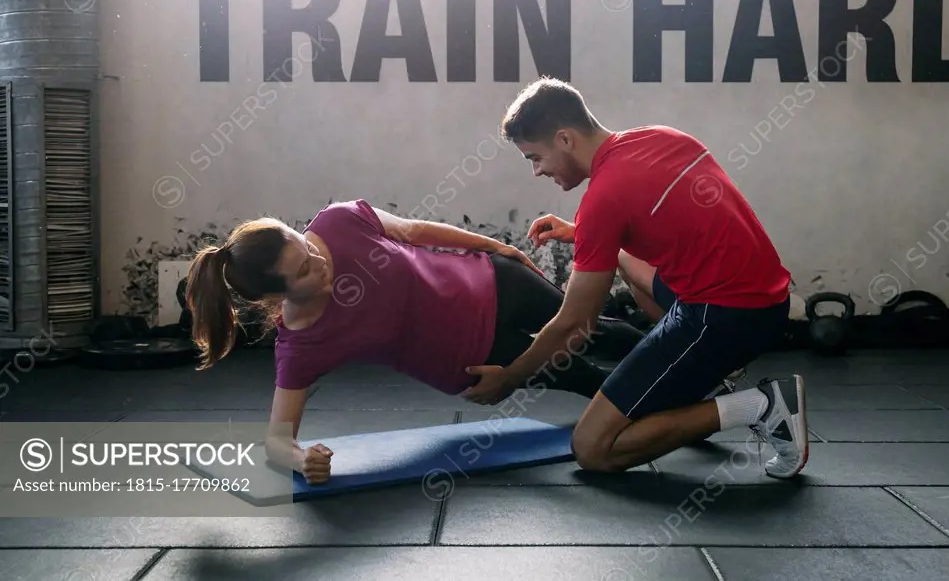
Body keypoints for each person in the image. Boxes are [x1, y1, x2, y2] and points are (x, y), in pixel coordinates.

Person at [461, 77, 807, 479]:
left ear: (565, 139)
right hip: (767, 299)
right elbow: (664, 222)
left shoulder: (604, 199)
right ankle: (713, 374)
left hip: (723, 317)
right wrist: (583, 233)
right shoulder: (660, 137)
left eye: (535, 158)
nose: (538, 171)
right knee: (624, 258)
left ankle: (763, 406)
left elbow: (576, 324)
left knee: (593, 447)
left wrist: (511, 379)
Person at [184, 199, 646, 484]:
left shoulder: (338, 222)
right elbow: (276, 441)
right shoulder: (303, 343)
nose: (318, 261)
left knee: (596, 330)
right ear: (274, 295)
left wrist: (493, 247)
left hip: (490, 282)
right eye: (303, 271)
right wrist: (303, 460)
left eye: (306, 248)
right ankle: (678, 408)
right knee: (586, 378)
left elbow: (413, 230)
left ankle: (696, 360)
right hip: (474, 359)